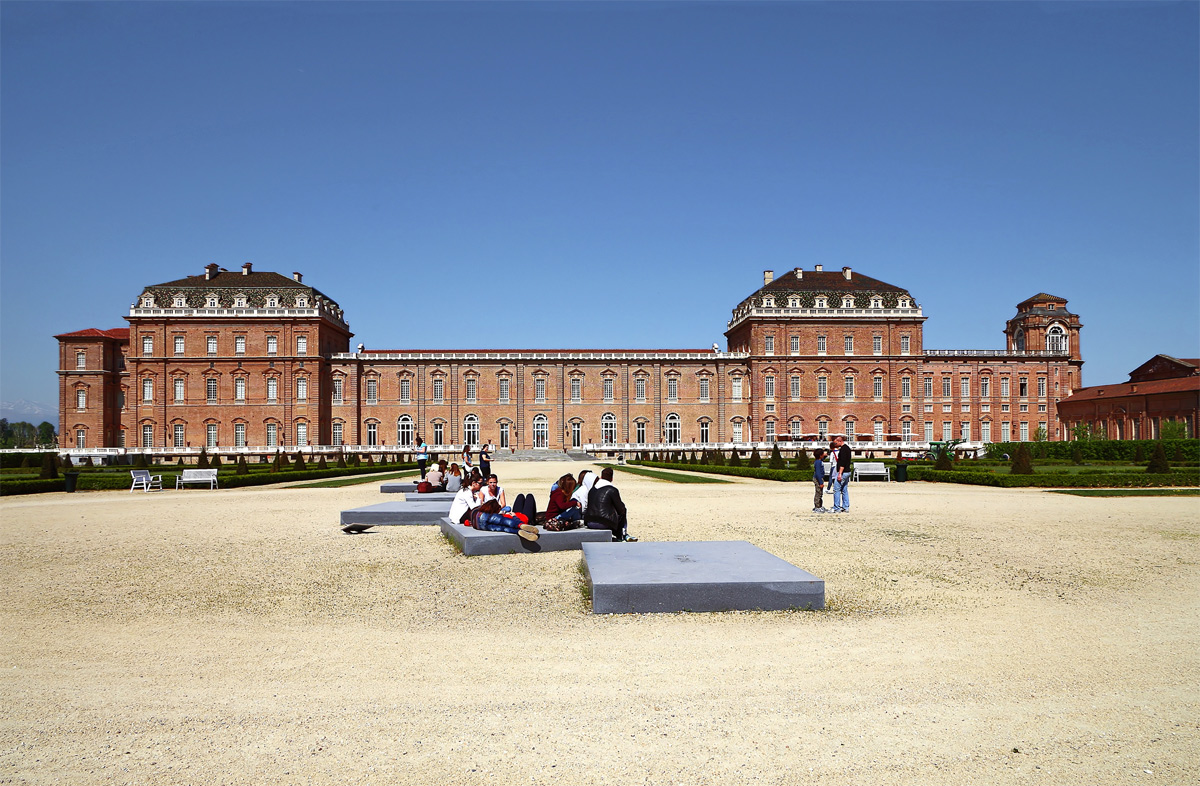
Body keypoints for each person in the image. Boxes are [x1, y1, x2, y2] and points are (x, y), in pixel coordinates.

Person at [585, 467, 637, 542]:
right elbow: (621, 509)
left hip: (590, 521)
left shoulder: (592, 489)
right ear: (612, 478)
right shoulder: (612, 490)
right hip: (603, 522)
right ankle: (622, 534)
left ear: (601, 477)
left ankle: (621, 534)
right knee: (623, 510)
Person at [830, 436, 852, 513]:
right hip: (847, 471)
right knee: (844, 489)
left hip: (843, 472)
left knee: (836, 489)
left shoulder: (843, 450)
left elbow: (842, 463)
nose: (835, 444)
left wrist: (839, 473)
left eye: (835, 443)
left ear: (840, 441)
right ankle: (846, 507)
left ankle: (837, 508)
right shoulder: (847, 448)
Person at [811, 448, 829, 513]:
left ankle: (820, 506)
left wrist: (827, 454)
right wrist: (821, 482)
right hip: (818, 478)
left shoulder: (818, 460)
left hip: (819, 478)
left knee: (820, 493)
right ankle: (817, 507)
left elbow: (823, 459)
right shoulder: (818, 462)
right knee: (818, 493)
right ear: (820, 455)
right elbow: (818, 473)